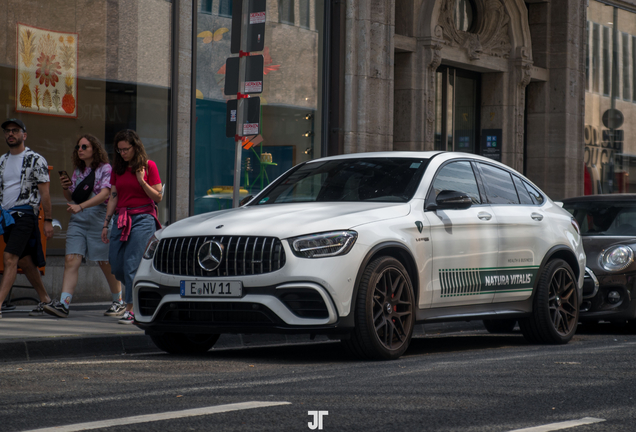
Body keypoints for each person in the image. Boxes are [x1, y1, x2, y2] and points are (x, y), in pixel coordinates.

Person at [43, 135, 124, 318]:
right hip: (78, 219)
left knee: (105, 263)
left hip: (98, 218)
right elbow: (72, 198)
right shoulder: (78, 171)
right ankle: (64, 304)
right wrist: (66, 188)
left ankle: (118, 301)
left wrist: (81, 206)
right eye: (78, 146)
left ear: (94, 149)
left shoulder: (105, 168)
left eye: (84, 146)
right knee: (71, 259)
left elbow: (105, 194)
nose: (80, 149)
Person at [102, 130, 162, 324]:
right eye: (119, 150)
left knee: (131, 264)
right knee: (116, 264)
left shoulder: (148, 166)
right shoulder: (117, 169)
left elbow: (158, 197)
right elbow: (113, 196)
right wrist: (106, 223)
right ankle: (137, 300)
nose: (122, 153)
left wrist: (142, 180)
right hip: (121, 218)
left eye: (126, 149)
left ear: (135, 147)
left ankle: (131, 309)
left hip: (143, 217)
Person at [0, 118, 53, 319]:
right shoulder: (2, 161)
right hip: (7, 217)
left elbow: (45, 193)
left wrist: (48, 219)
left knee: (10, 257)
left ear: (24, 135)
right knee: (25, 260)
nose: (10, 134)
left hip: (25, 215)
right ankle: (46, 300)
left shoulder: (35, 159)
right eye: (7, 131)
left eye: (14, 130)